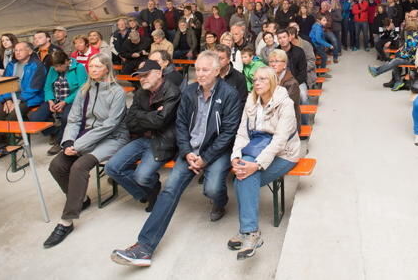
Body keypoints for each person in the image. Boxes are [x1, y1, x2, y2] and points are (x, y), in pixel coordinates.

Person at [110, 51, 242, 266]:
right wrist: (187, 151)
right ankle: (144, 247)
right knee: (170, 189)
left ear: (217, 71)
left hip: (216, 151)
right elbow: (180, 125)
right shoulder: (189, 92)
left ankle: (220, 202)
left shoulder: (229, 94)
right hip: (190, 150)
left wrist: (206, 157)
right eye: (198, 69)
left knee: (212, 188)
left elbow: (228, 132)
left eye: (205, 69)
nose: (200, 74)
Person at [44, 54, 129, 248]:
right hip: (88, 136)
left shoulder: (117, 92)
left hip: (112, 138)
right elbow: (73, 119)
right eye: (90, 66)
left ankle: (66, 221)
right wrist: (67, 143)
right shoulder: (85, 90)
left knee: (79, 166)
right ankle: (80, 198)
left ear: (107, 69)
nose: (92, 69)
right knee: (56, 165)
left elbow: (110, 125)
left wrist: (79, 146)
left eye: (97, 66)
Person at [228, 66, 301, 260]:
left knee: (244, 179)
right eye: (254, 79)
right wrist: (235, 157)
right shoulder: (251, 101)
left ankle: (250, 232)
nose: (256, 82)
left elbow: (279, 141)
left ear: (272, 82)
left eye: (262, 79)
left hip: (284, 153)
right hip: (257, 148)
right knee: (243, 176)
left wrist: (256, 165)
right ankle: (249, 232)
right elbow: (242, 133)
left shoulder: (285, 104)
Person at [105, 59, 181, 212]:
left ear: (159, 73)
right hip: (143, 137)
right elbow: (130, 121)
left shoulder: (172, 91)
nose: (142, 79)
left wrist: (143, 116)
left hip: (163, 141)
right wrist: (152, 115)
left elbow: (161, 122)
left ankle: (150, 185)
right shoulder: (141, 92)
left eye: (146, 74)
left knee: (142, 176)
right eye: (140, 76)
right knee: (111, 168)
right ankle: (146, 193)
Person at [37, 50, 88, 155]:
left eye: (58, 66)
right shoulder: (53, 69)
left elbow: (82, 89)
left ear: (66, 61)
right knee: (36, 118)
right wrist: (50, 100)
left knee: (66, 117)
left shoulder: (79, 68)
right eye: (54, 67)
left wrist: (65, 101)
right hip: (56, 99)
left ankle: (59, 142)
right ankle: (57, 131)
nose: (56, 69)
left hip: (72, 100)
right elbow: (47, 87)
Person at [0, 42, 46, 122]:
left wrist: (18, 101)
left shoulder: (37, 66)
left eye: (21, 50)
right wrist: (7, 99)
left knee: (13, 117)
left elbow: (34, 88)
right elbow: (5, 84)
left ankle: (11, 134)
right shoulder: (11, 65)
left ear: (30, 52)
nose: (18, 53)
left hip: (28, 98)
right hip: (11, 96)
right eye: (16, 50)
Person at [367, 17, 418, 91]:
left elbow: (410, 52)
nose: (405, 26)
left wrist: (399, 54)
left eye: (407, 25)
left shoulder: (416, 37)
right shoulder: (412, 35)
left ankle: (377, 71)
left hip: (412, 59)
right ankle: (397, 81)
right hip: (408, 57)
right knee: (394, 60)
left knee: (396, 60)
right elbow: (406, 48)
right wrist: (400, 51)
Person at [267, 49, 302, 128]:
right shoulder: (268, 79)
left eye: (277, 61)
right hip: (272, 120)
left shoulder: (292, 83)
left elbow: (287, 108)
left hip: (288, 123)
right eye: (271, 61)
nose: (273, 64)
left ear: (285, 65)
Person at [214, 44, 248, 109]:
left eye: (221, 58)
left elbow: (242, 102)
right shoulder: (209, 76)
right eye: (215, 58)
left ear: (228, 60)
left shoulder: (239, 77)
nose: (217, 61)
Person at [276, 29, 308, 98]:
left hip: (297, 81)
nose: (282, 40)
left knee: (303, 96)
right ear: (278, 40)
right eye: (280, 38)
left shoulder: (299, 51)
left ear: (289, 38)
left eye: (284, 37)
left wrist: (294, 83)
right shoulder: (275, 52)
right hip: (280, 82)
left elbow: (303, 72)